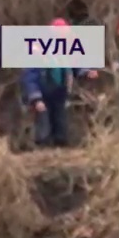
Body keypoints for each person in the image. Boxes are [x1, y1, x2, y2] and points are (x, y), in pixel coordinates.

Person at [20, 18, 100, 148]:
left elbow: (76, 65)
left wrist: (87, 71)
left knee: (60, 121)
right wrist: (36, 98)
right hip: (42, 94)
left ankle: (60, 144)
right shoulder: (37, 52)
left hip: (60, 93)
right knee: (43, 123)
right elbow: (30, 77)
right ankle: (42, 146)